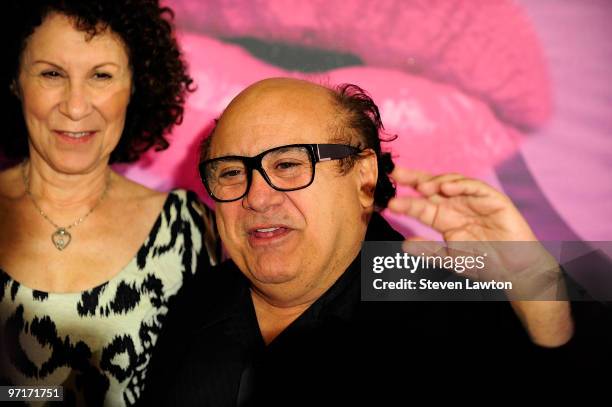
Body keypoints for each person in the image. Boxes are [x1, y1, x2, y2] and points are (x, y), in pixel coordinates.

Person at [142, 78, 579, 405]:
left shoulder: (450, 308)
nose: (256, 197)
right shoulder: (198, 300)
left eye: (290, 164)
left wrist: (541, 297)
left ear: (363, 176)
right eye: (232, 173)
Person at [0, 1, 220, 405]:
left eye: (101, 76)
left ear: (137, 85)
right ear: (14, 80)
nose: (76, 105)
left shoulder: (188, 228)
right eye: (52, 74)